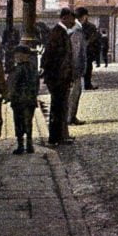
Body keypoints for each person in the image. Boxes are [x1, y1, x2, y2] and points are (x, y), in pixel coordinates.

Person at [41, 8, 75, 146]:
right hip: (58, 78)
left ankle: (59, 136)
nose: (73, 22)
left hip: (60, 77)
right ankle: (55, 138)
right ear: (65, 18)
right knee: (58, 107)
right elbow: (53, 58)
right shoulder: (57, 33)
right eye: (72, 19)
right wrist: (60, 76)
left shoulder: (60, 32)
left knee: (61, 107)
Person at [7, 43, 39, 154]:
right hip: (30, 100)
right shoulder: (33, 68)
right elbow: (36, 85)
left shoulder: (17, 69)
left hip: (19, 101)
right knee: (28, 122)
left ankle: (21, 145)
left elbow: (12, 84)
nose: (16, 57)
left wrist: (8, 96)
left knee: (19, 122)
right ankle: (29, 145)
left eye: (17, 55)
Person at [68, 8, 89, 125]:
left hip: (74, 68)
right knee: (75, 92)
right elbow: (77, 51)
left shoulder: (74, 28)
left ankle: (71, 116)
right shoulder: (77, 30)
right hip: (75, 69)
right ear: (84, 17)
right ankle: (70, 117)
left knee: (75, 92)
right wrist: (77, 69)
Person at [78, 7, 100, 90]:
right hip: (82, 50)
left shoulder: (91, 27)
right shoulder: (75, 26)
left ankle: (87, 84)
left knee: (88, 67)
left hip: (88, 52)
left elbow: (94, 39)